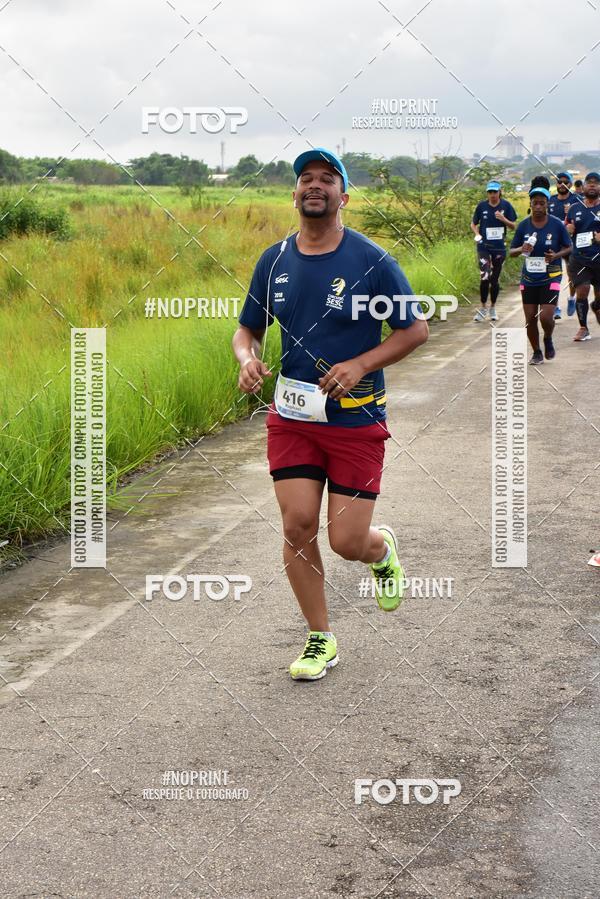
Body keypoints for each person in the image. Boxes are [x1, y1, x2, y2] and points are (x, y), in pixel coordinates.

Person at [232, 148, 429, 681]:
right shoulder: (273, 260)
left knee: (345, 542)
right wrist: (247, 358)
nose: (314, 185)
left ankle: (380, 549)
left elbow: (415, 330)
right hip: (292, 418)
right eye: (305, 179)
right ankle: (320, 638)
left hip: (355, 419)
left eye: (327, 178)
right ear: (295, 194)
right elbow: (247, 328)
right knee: (297, 525)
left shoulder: (373, 261)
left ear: (344, 195)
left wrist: (360, 363)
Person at [509, 186, 572, 364]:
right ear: (530, 204)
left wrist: (555, 256)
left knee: (545, 316)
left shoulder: (557, 225)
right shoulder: (523, 226)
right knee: (530, 318)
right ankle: (536, 352)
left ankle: (548, 338)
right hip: (528, 278)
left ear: (547, 205)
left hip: (551, 275)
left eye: (541, 203)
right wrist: (522, 248)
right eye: (535, 203)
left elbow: (569, 247)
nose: (538, 206)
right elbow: (512, 251)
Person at [471, 180, 517, 322]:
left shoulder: (506, 206)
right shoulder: (482, 206)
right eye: (490, 192)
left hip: (499, 247)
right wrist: (477, 234)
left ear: (499, 192)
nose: (492, 195)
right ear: (487, 193)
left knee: (494, 279)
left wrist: (503, 219)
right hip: (483, 246)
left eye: (495, 192)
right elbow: (473, 223)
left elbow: (513, 226)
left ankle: (493, 308)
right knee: (485, 276)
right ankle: (483, 307)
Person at [566, 171, 600, 342]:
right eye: (589, 182)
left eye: (596, 183)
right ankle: (583, 327)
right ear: (583, 187)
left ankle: (596, 306)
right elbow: (566, 227)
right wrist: (568, 230)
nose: (592, 185)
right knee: (583, 290)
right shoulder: (575, 208)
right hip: (579, 259)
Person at [548, 172, 577, 319]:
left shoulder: (576, 200)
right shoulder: (551, 200)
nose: (562, 184)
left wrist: (570, 213)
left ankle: (572, 298)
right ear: (556, 184)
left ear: (570, 184)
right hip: (554, 244)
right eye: (560, 182)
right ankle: (555, 307)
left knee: (572, 274)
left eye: (566, 182)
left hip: (571, 244)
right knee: (554, 276)